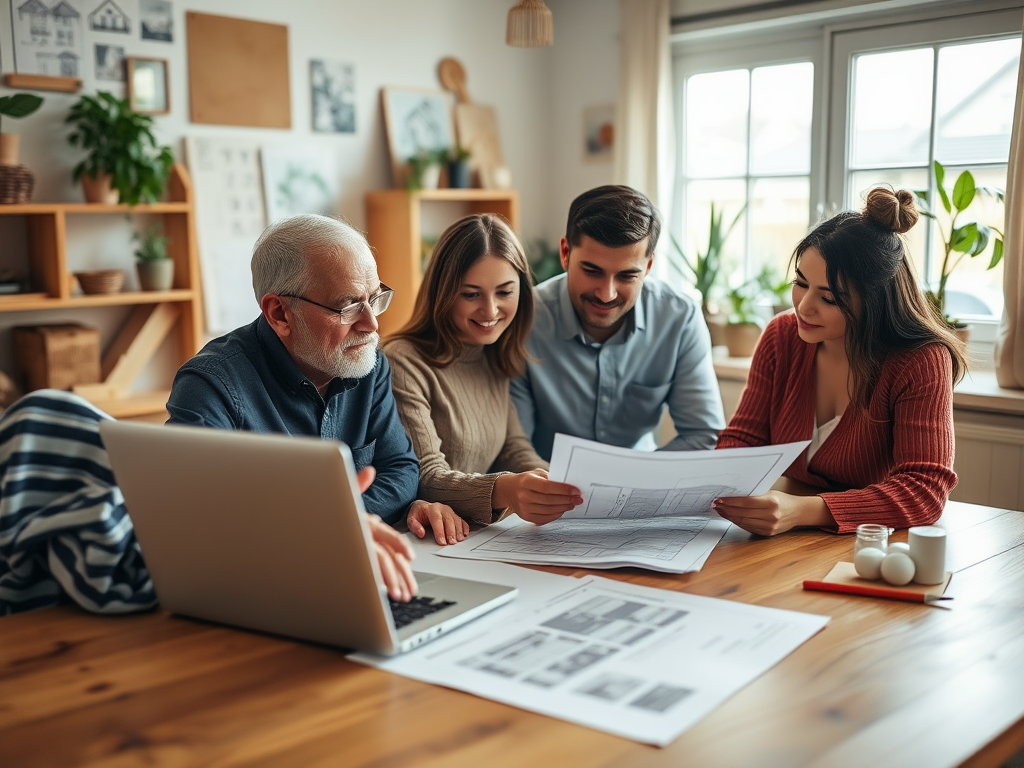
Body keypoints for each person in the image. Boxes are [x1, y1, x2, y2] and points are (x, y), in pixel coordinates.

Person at [165, 213, 456, 599]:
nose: (371, 324)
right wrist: (331, 529)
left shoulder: (367, 362)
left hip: (361, 573)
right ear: (279, 314)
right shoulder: (211, 385)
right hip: (264, 590)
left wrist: (341, 522)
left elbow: (401, 470)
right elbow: (193, 514)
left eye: (374, 299)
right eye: (348, 306)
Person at [713, 187, 966, 537]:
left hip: (871, 544)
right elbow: (743, 439)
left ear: (875, 302)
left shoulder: (920, 360)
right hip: (785, 538)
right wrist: (712, 481)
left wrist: (801, 511)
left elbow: (924, 491)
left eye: (829, 298)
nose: (804, 307)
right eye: (800, 283)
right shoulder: (781, 335)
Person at [384, 215, 583, 537]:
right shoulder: (404, 360)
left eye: (504, 292)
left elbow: (514, 449)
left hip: (471, 534)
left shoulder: (492, 352)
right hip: (426, 538)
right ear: (443, 293)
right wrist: (508, 489)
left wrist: (563, 487)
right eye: (471, 294)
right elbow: (424, 475)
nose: (490, 311)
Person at [510, 185, 725, 462]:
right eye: (592, 271)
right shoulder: (524, 318)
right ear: (565, 253)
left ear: (648, 267)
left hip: (644, 482)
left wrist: (634, 479)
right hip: (545, 480)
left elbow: (703, 434)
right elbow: (515, 444)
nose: (606, 294)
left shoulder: (679, 319)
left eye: (627, 276)